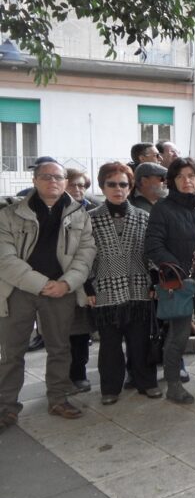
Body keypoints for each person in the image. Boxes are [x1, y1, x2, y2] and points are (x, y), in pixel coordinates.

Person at [0, 160, 96, 430]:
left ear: (65, 181)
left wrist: (67, 283)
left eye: (58, 177)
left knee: (60, 348)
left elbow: (86, 254)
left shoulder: (80, 215)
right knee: (11, 351)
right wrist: (42, 284)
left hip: (61, 290)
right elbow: (5, 258)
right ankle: (6, 407)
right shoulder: (10, 214)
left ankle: (58, 398)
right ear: (34, 181)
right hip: (19, 289)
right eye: (45, 176)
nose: (52, 181)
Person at [145, 157, 195, 404]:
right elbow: (153, 245)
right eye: (180, 176)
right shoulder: (163, 208)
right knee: (178, 337)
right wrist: (178, 270)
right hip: (180, 285)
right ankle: (173, 384)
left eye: (191, 176)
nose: (186, 181)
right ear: (172, 181)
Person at [88, 162, 161, 404]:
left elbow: (151, 252)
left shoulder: (143, 217)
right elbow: (85, 255)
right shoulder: (90, 219)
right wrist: (87, 286)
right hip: (105, 288)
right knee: (109, 344)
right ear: (102, 186)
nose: (118, 189)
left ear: (130, 187)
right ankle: (110, 388)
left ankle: (146, 382)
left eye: (123, 184)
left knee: (140, 341)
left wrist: (154, 281)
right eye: (112, 184)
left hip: (138, 286)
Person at [65, 168, 97, 393]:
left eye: (82, 185)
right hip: (61, 278)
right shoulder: (55, 211)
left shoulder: (92, 210)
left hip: (87, 278)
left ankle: (78, 373)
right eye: (73, 185)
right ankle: (62, 377)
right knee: (63, 333)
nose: (78, 189)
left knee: (82, 331)